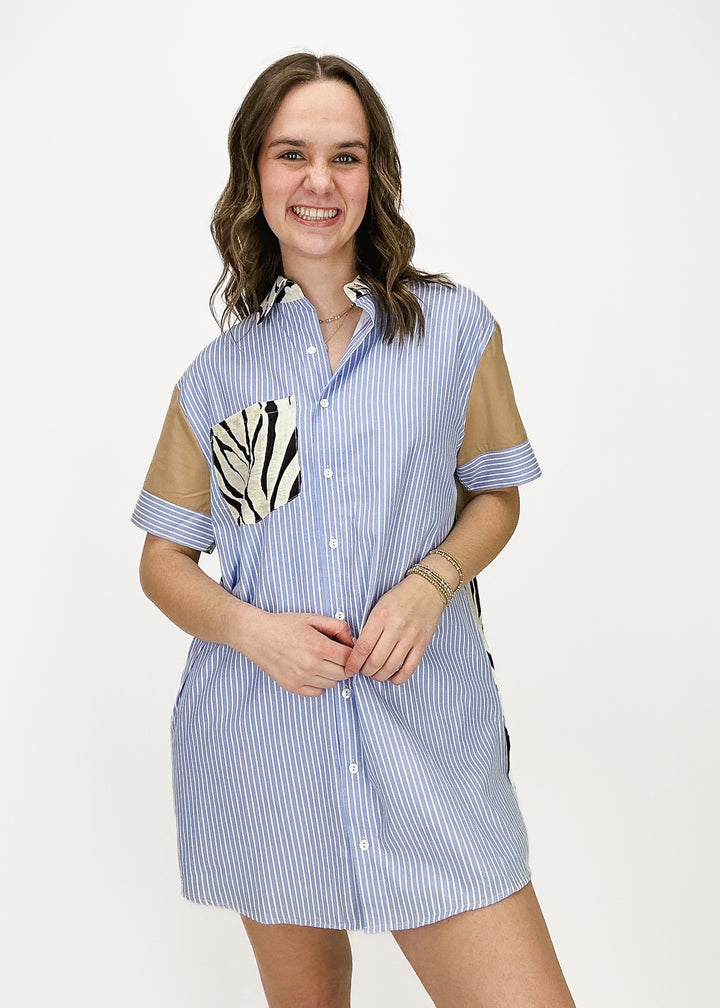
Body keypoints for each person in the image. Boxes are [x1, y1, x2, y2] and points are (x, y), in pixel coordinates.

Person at [132, 52, 575, 1008]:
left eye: (346, 155)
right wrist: (254, 631)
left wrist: (432, 581)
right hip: (266, 746)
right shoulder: (221, 377)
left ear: (374, 178)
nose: (318, 181)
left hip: (426, 737)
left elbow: (496, 492)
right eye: (293, 153)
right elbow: (164, 559)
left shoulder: (455, 330)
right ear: (256, 172)